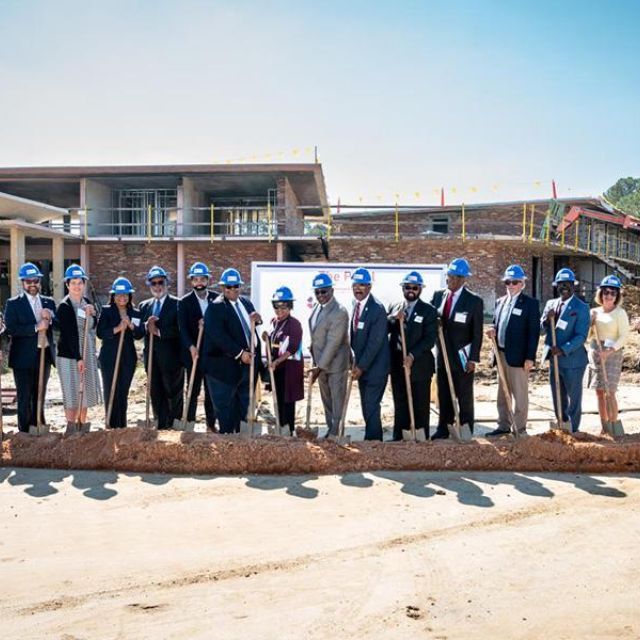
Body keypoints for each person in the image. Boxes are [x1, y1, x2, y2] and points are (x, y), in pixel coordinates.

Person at [202, 268, 262, 434]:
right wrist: (240, 354)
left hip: (246, 368)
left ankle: (241, 447)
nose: (232, 290)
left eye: (236, 286)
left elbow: (249, 327)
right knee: (226, 412)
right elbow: (218, 336)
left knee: (243, 408)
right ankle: (227, 446)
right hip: (223, 370)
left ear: (240, 286)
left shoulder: (246, 303)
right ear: (222, 287)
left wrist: (258, 320)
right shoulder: (216, 308)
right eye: (228, 287)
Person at [430, 258, 483, 439]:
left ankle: (466, 428)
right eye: (448, 276)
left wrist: (473, 359)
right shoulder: (438, 296)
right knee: (444, 393)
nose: (448, 280)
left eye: (452, 277)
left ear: (462, 279)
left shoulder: (474, 301)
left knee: (464, 395)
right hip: (442, 355)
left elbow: (477, 334)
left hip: (462, 357)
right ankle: (443, 427)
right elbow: (430, 318)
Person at [485, 265, 540, 437]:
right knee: (502, 393)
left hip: (518, 356)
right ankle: (503, 425)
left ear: (522, 283)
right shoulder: (500, 302)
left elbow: (534, 333)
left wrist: (530, 357)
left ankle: (519, 428)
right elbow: (496, 322)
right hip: (500, 354)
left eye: (515, 282)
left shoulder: (530, 304)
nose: (511, 285)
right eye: (508, 282)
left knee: (520, 394)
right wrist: (492, 330)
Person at [4, 262, 56, 433]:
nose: (32, 284)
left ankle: (38, 426)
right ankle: (25, 433)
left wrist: (50, 318)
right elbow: (11, 329)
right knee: (25, 396)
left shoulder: (48, 302)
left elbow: (57, 326)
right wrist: (35, 327)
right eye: (28, 281)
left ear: (40, 281)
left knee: (39, 393)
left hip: (43, 355)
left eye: (35, 281)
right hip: (22, 358)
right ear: (22, 282)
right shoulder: (13, 304)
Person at [387, 270, 438, 440]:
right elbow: (385, 328)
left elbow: (429, 339)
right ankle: (399, 437)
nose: (411, 290)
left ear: (420, 289)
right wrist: (393, 318)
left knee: (420, 404)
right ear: (403, 288)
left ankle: (421, 437)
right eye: (407, 287)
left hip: (420, 366)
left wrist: (412, 355)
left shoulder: (429, 311)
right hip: (397, 365)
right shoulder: (394, 307)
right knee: (400, 403)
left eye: (415, 287)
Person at [540, 268, 590, 432]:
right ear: (556, 286)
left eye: (567, 284)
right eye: (561, 284)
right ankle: (561, 423)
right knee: (557, 395)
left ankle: (574, 429)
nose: (564, 287)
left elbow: (581, 336)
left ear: (573, 285)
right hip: (554, 360)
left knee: (574, 398)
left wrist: (563, 349)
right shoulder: (550, 304)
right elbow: (541, 329)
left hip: (573, 360)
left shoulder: (581, 307)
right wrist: (547, 319)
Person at [55, 264, 102, 432]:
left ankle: (82, 425)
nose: (77, 286)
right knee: (72, 392)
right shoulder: (65, 306)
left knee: (84, 392)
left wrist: (93, 314)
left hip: (86, 353)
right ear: (67, 285)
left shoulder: (87, 302)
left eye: (80, 282)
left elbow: (94, 326)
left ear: (84, 284)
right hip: (69, 356)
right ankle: (71, 426)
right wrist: (78, 358)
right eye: (73, 282)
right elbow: (70, 335)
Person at [139, 266, 184, 430]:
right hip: (152, 359)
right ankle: (160, 423)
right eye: (154, 283)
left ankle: (175, 424)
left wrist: (158, 331)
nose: (157, 286)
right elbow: (137, 331)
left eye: (160, 282)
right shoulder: (144, 306)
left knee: (173, 393)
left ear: (167, 283)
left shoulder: (178, 304)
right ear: (149, 285)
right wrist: (145, 326)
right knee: (156, 393)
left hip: (172, 359)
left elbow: (180, 330)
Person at [97, 277, 144, 428]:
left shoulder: (135, 313)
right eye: (119, 294)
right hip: (109, 357)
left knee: (123, 392)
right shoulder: (106, 311)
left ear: (130, 296)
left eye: (125, 294)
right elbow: (100, 332)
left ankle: (122, 425)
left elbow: (139, 334)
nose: (122, 297)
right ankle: (110, 423)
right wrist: (117, 328)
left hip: (128, 358)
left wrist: (130, 325)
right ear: (113, 296)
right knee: (111, 389)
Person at [350, 267, 390, 441]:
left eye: (362, 285)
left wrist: (361, 366)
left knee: (371, 405)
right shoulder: (356, 305)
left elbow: (375, 343)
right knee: (367, 406)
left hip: (375, 369)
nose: (358, 289)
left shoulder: (377, 309)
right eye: (355, 285)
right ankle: (372, 439)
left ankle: (374, 441)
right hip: (362, 368)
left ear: (369, 287)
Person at [308, 273, 350, 438]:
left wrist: (319, 367)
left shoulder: (339, 312)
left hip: (335, 365)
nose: (320, 295)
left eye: (324, 291)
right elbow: (317, 334)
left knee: (337, 400)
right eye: (317, 292)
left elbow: (334, 342)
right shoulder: (318, 307)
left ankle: (336, 433)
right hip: (321, 364)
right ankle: (330, 429)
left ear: (332, 290)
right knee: (327, 401)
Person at [178, 262, 218, 430]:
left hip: (212, 353)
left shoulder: (216, 298)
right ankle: (190, 423)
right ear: (192, 281)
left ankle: (210, 424)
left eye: (202, 279)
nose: (199, 282)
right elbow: (183, 329)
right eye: (196, 279)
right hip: (193, 353)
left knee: (211, 391)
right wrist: (191, 347)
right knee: (193, 389)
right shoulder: (184, 302)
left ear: (208, 280)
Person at [587, 275, 629, 432]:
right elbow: (588, 336)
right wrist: (590, 324)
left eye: (613, 292)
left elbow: (624, 336)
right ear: (601, 293)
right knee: (599, 391)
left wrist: (610, 351)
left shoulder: (620, 313)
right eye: (606, 292)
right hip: (596, 350)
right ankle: (604, 426)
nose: (609, 295)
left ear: (617, 295)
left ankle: (613, 423)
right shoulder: (594, 312)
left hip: (613, 353)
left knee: (610, 391)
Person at [263, 286, 304, 435]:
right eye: (276, 306)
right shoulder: (274, 322)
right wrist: (266, 339)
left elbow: (291, 348)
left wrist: (277, 362)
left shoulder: (294, 324)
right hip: (276, 370)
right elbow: (274, 344)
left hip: (289, 371)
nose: (280, 310)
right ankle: (280, 429)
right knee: (278, 401)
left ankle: (289, 431)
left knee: (287, 403)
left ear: (290, 306)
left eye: (284, 306)